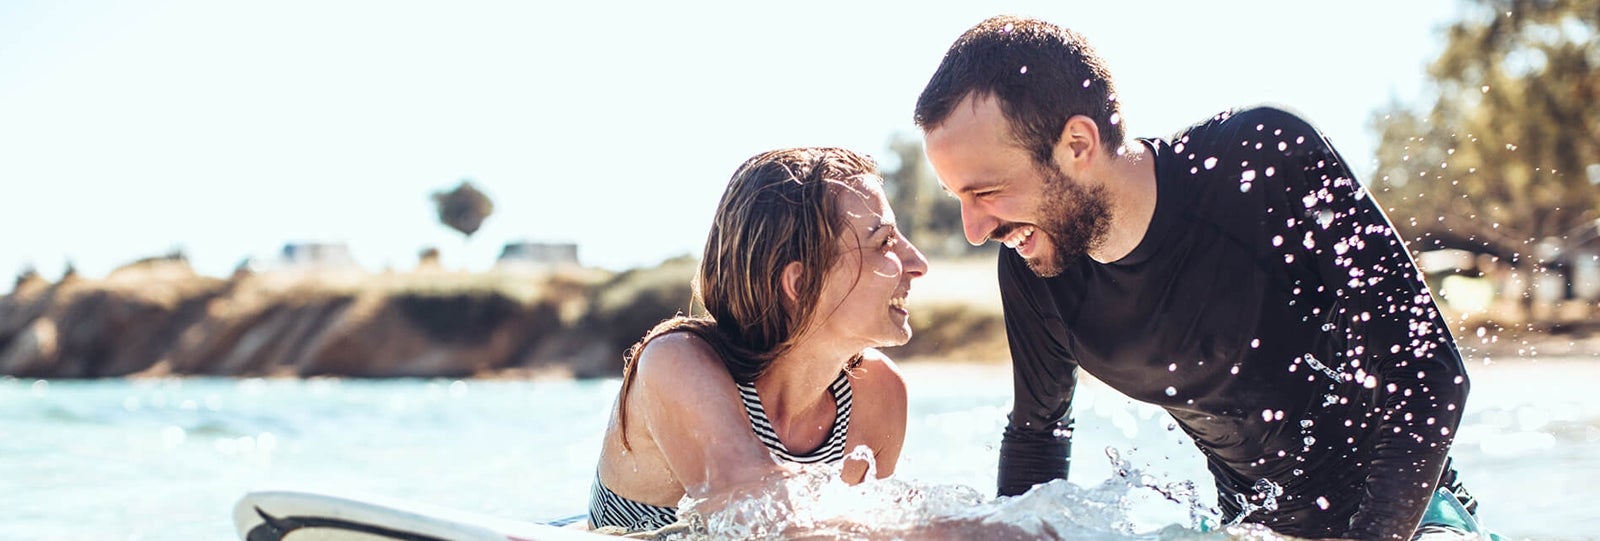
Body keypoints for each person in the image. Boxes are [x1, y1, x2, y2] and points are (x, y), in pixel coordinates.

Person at [913, 15, 1476, 541]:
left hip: (1413, 517)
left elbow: (1429, 372)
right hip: (1252, 531)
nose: (973, 228)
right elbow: (1038, 437)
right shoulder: (1036, 268)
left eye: (985, 192)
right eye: (957, 197)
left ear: (1077, 145)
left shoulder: (1259, 162)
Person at [586, 147, 930, 534]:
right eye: (884, 242)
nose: (917, 263)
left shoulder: (877, 394)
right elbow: (753, 513)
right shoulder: (677, 362)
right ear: (801, 284)